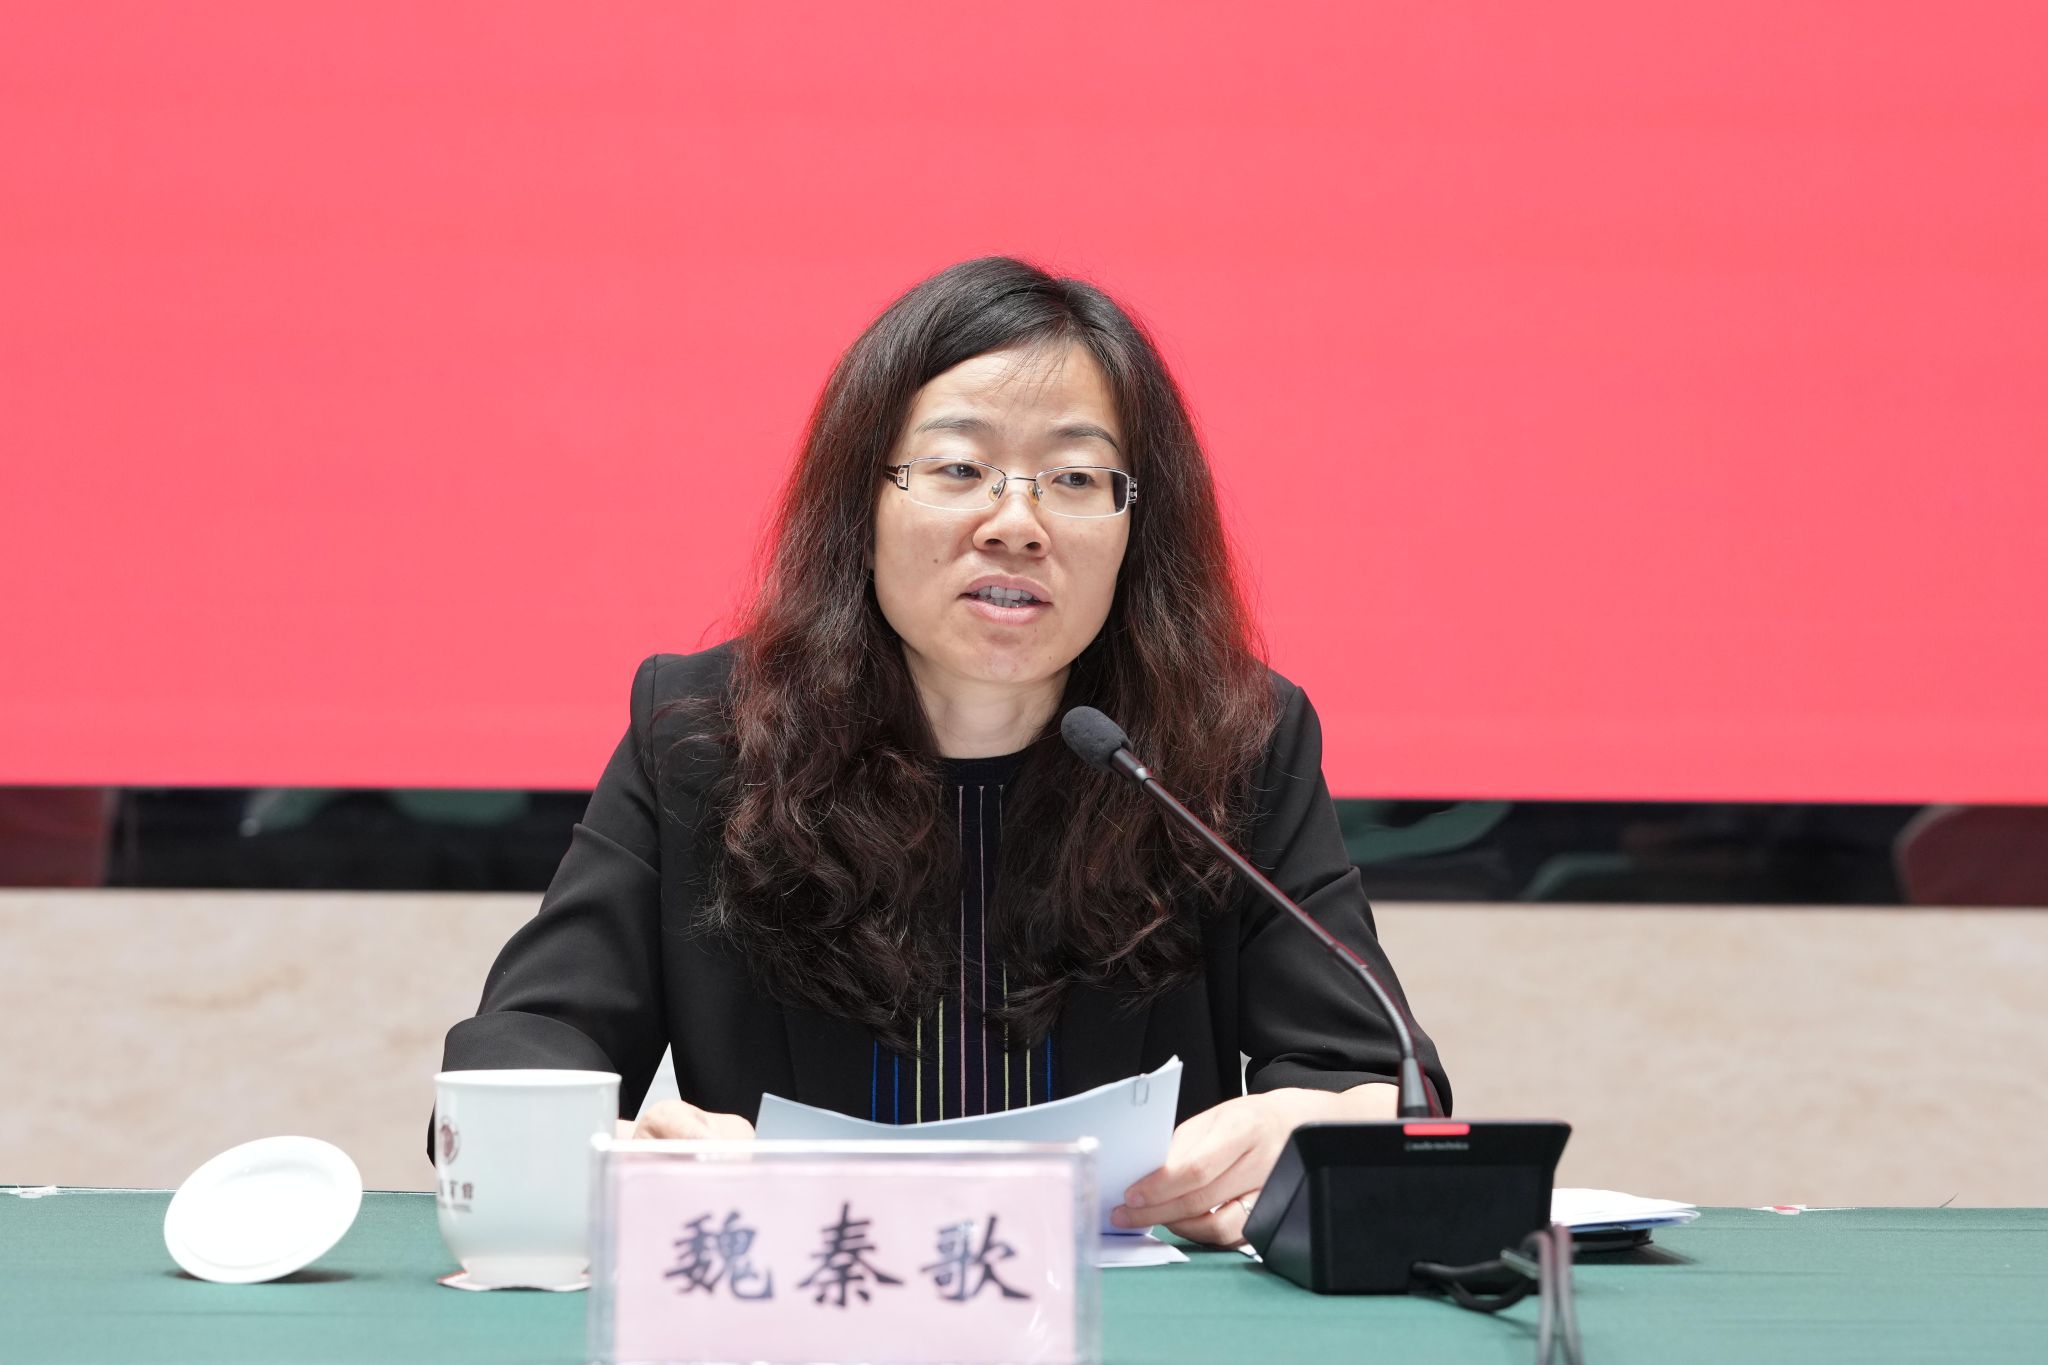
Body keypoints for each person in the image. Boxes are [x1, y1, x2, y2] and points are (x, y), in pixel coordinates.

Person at [440, 257, 1450, 1247]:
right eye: (959, 469)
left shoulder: (1229, 742)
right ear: (863, 506)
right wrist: (615, 1152)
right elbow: (523, 1050)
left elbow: (1373, 1078)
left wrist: (1314, 1125)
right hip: (805, 1303)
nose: (1015, 524)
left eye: (1075, 478)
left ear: (1135, 528)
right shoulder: (706, 734)